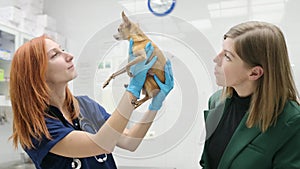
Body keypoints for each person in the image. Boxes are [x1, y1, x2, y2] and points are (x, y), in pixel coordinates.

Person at [9, 35, 174, 169]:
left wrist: (154, 106)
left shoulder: (85, 106)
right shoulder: (36, 126)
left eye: (63, 49)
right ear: (36, 73)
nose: (69, 56)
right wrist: (133, 88)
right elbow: (102, 144)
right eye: (55, 54)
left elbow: (129, 141)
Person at [200, 21, 300, 169]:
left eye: (227, 56)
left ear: (255, 72)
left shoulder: (291, 121)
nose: (216, 59)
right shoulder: (216, 101)